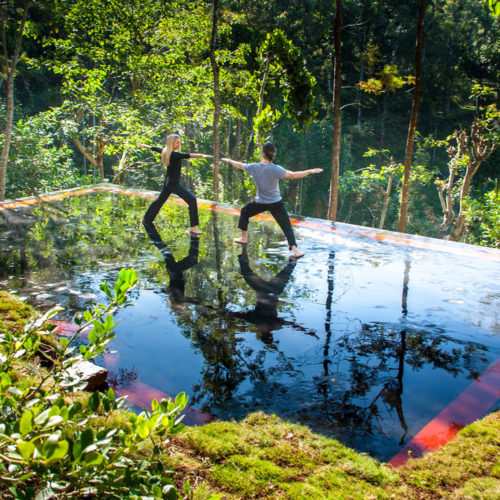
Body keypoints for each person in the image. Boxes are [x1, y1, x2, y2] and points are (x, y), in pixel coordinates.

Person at [221, 142, 322, 258]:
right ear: (273, 154)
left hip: (260, 203)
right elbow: (293, 175)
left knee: (244, 211)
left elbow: (239, 165)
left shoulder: (254, 167)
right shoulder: (276, 169)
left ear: (263, 153)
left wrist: (229, 161)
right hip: (275, 203)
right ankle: (295, 250)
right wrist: (309, 171)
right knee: (286, 225)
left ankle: (244, 238)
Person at [139, 134, 211, 234]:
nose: (179, 144)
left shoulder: (165, 151)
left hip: (168, 182)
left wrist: (142, 145)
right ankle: (193, 227)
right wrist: (202, 156)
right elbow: (189, 155)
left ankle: (146, 219)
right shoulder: (174, 155)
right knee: (192, 200)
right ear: (171, 144)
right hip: (172, 183)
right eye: (177, 142)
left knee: (160, 200)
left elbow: (153, 148)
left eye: (179, 142)